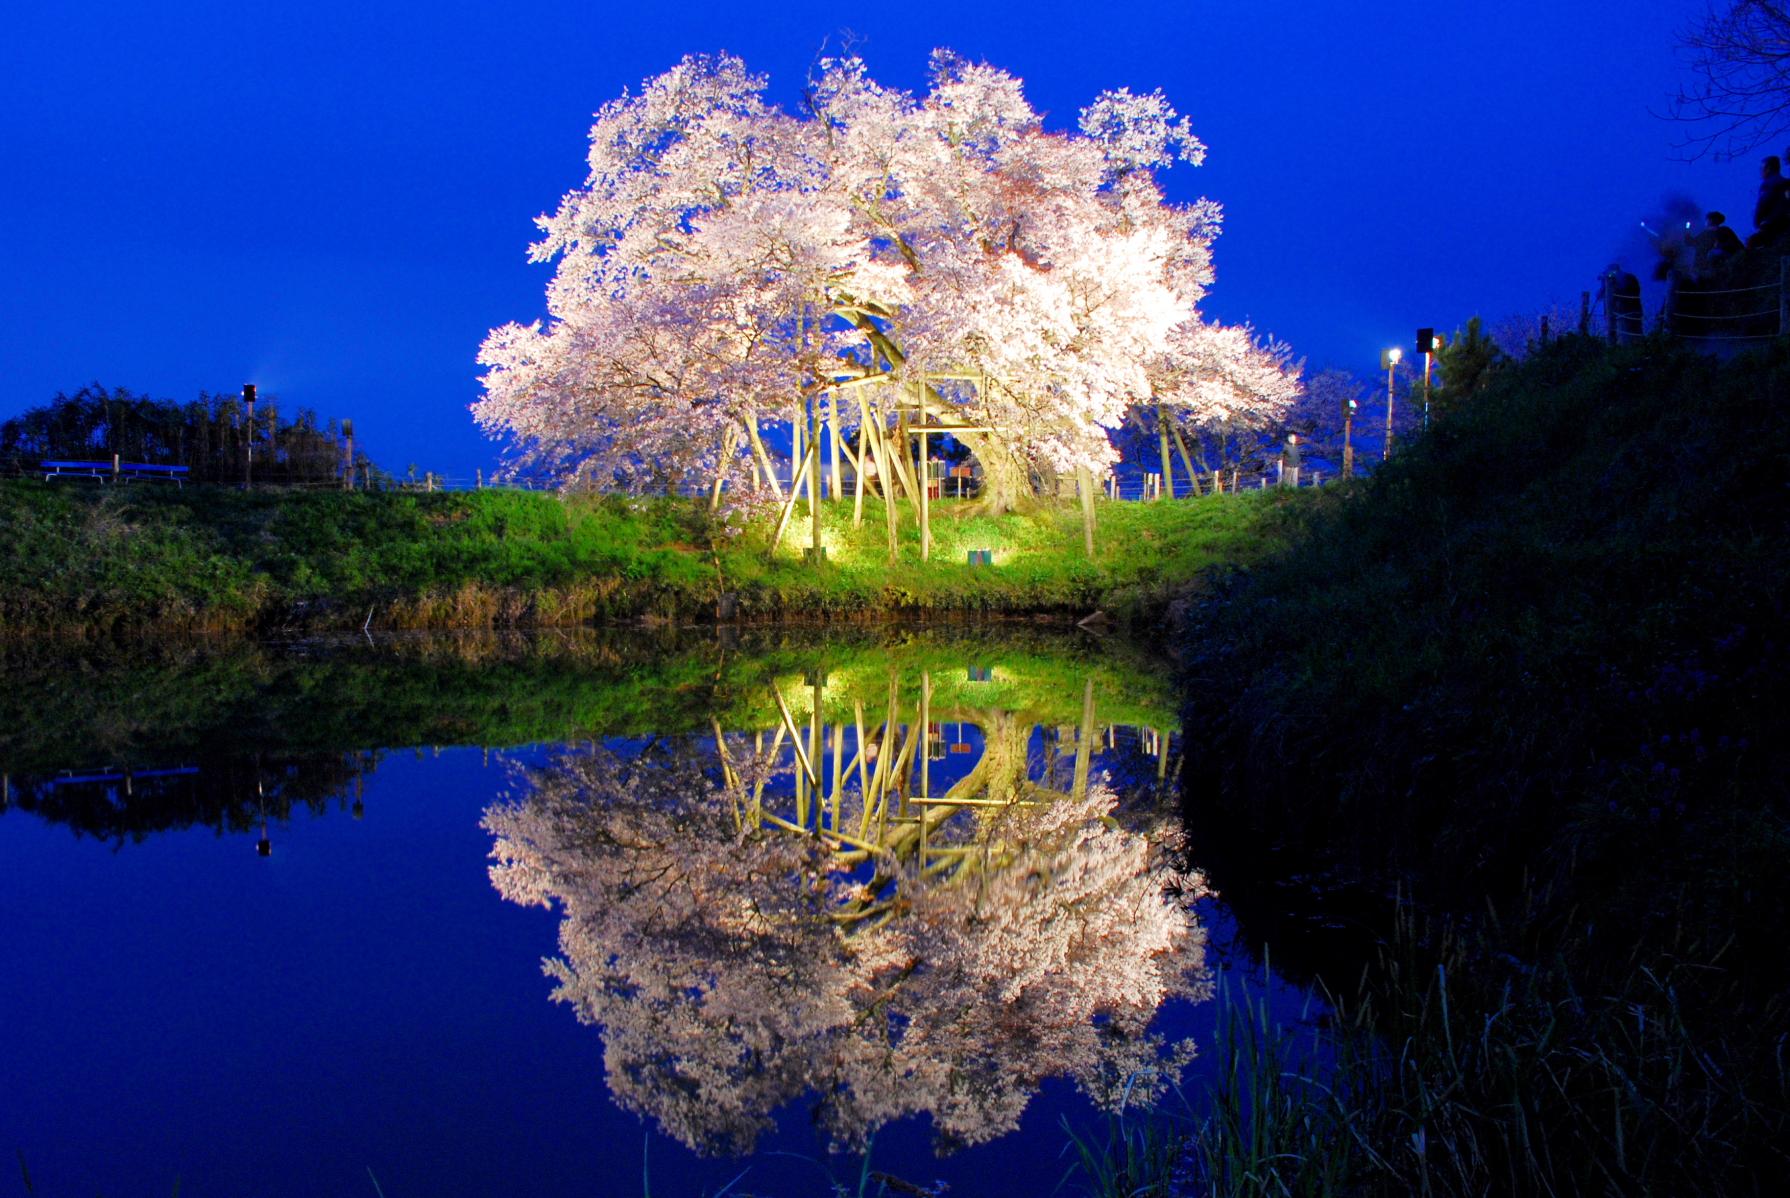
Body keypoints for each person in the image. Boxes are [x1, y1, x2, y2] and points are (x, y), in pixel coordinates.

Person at [1747, 156, 1790, 249]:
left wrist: (1758, 222)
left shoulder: (1768, 184)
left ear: (1768, 168)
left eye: (1762, 169)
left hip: (1771, 225)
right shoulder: (1786, 183)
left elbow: (1763, 204)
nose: (1761, 172)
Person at [1602, 264, 1643, 342]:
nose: (1611, 275)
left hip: (1625, 313)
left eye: (1612, 272)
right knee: (1635, 336)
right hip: (1632, 311)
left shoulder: (1627, 279)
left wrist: (1611, 283)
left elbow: (1622, 294)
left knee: (1626, 337)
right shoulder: (1629, 278)